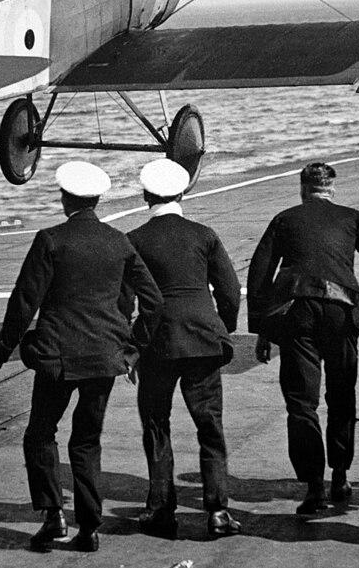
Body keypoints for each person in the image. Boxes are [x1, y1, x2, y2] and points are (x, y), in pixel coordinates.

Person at [0, 161, 163, 553]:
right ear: (97, 200)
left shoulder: (50, 240)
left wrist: (3, 348)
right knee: (86, 441)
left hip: (57, 357)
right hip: (104, 358)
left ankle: (53, 516)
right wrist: (133, 349)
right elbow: (153, 301)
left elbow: (24, 301)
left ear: (66, 199)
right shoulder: (119, 241)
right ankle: (90, 528)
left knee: (40, 433)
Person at [247, 162, 359, 514]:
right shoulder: (354, 218)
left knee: (302, 401)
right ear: (332, 188)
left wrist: (261, 329)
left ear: (302, 188)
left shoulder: (284, 219)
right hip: (341, 310)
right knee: (341, 394)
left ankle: (314, 486)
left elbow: (259, 273)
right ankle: (341, 476)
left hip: (297, 311)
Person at [126, 159, 242, 540]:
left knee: (157, 425)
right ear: (182, 192)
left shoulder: (135, 239)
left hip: (157, 343)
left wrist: (129, 346)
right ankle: (218, 511)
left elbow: (123, 300)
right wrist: (223, 328)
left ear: (146, 195)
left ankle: (161, 509)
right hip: (203, 339)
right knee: (209, 425)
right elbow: (228, 290)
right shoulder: (204, 234)